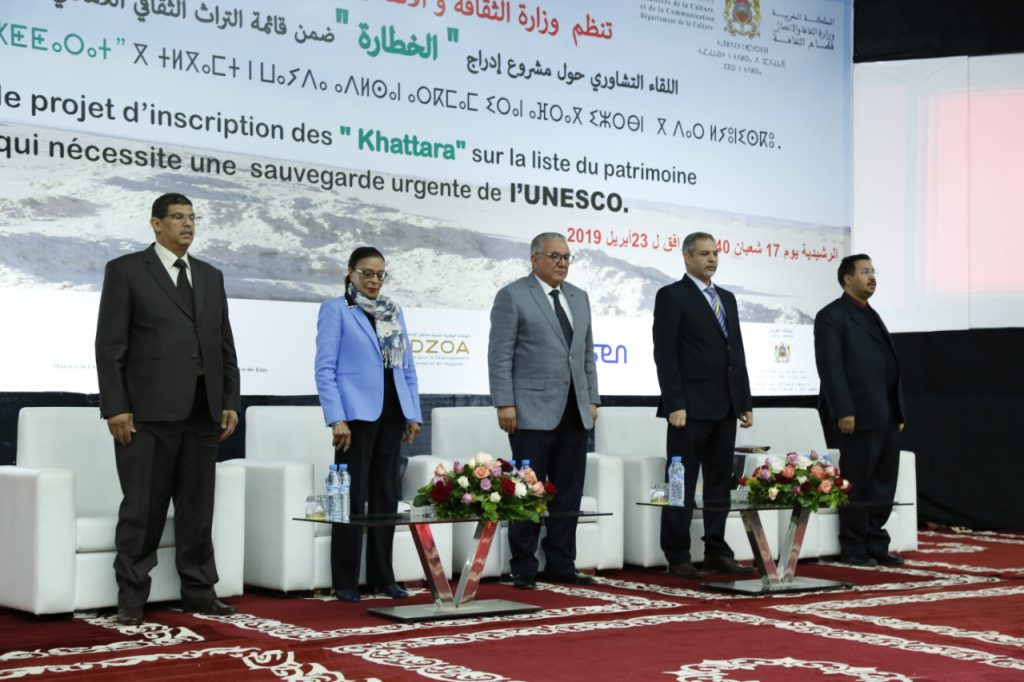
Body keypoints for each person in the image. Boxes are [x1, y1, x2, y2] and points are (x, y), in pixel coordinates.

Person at [95, 193, 240, 626]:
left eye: (192, 217)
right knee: (143, 509)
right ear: (155, 224)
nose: (187, 224)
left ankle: (199, 591)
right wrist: (116, 406)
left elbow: (224, 344)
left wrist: (229, 400)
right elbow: (110, 344)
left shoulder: (210, 276)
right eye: (177, 217)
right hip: (147, 414)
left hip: (203, 411)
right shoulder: (126, 270)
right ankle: (131, 597)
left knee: (197, 508)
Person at [487, 232, 600, 589]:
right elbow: (500, 355)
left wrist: (593, 399)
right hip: (530, 410)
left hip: (575, 410)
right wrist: (505, 402)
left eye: (566, 257)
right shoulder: (513, 295)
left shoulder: (578, 297)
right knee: (528, 491)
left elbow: (586, 355)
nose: (562, 263)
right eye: (554, 256)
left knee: (568, 491)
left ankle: (561, 564)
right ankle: (523, 566)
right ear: (534, 258)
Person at [314, 246, 422, 602]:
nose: (374, 280)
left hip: (392, 412)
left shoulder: (393, 310)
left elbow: (407, 367)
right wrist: (336, 417)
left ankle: (382, 576)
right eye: (366, 273)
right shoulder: (336, 309)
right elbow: (325, 369)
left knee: (385, 496)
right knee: (349, 496)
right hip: (355, 417)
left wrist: (412, 413)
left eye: (379, 274)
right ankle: (345, 581)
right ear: (350, 273)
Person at [652, 231, 756, 579]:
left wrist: (744, 400)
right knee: (679, 483)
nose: (712, 259)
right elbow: (665, 355)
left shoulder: (727, 297)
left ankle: (716, 551)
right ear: (687, 257)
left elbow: (736, 352)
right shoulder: (672, 296)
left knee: (719, 483)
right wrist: (674, 402)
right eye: (704, 254)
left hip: (725, 407)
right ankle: (677, 554)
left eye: (715, 253)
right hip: (688, 410)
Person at [814, 254, 906, 567]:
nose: (872, 276)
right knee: (856, 483)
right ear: (847, 278)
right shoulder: (832, 316)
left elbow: (888, 366)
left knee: (883, 482)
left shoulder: (871, 314)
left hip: (886, 414)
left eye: (873, 271)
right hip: (856, 415)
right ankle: (853, 546)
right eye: (865, 271)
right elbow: (830, 367)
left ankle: (875, 543)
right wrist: (844, 410)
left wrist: (899, 412)